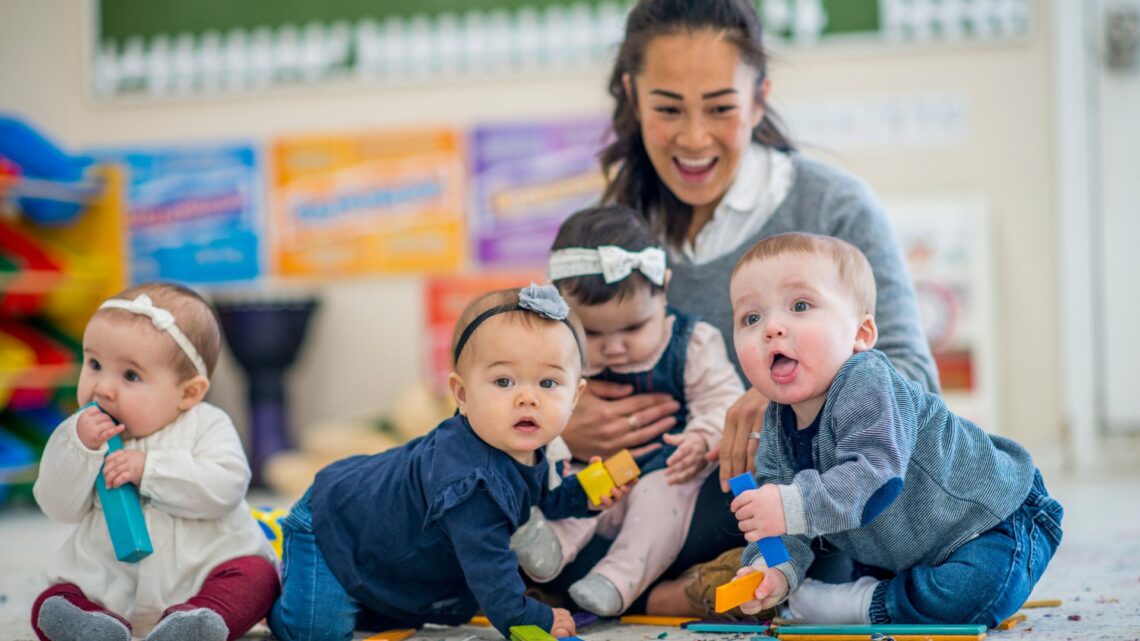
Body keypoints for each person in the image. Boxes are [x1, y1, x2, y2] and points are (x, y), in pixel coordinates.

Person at [553, 0, 941, 615]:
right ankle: (671, 589)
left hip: (768, 493)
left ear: (759, 99)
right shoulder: (616, 231)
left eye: (721, 107)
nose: (694, 138)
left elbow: (917, 387)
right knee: (500, 501)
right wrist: (561, 419)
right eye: (667, 108)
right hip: (638, 485)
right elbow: (532, 352)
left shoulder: (831, 208)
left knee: (797, 522)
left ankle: (671, 589)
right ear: (631, 95)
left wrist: (788, 391)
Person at [726, 232, 1062, 626]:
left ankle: (860, 606)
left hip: (992, 519)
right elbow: (789, 523)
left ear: (861, 334)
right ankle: (872, 595)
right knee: (858, 563)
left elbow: (875, 477)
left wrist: (787, 504)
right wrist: (771, 570)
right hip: (899, 549)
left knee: (974, 594)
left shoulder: (868, 380)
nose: (772, 328)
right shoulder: (777, 421)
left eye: (800, 305)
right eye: (752, 317)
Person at [268, 285, 632, 641]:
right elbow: (490, 573)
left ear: (575, 397)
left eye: (549, 382)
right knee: (317, 632)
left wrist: (585, 494)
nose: (527, 398)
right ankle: (271, 586)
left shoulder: (536, 446)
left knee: (378, 617)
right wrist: (531, 618)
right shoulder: (471, 483)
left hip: (380, 543)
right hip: (332, 524)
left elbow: (542, 496)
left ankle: (350, 592)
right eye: (504, 381)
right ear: (462, 394)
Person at [512, 205, 744, 616]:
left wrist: (702, 437)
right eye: (594, 333)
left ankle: (617, 581)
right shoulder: (553, 352)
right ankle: (549, 552)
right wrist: (555, 431)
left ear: (664, 291)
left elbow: (724, 401)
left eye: (634, 328)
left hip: (667, 473)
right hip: (593, 472)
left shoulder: (691, 343)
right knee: (570, 490)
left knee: (659, 503)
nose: (614, 347)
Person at [31, 283, 279, 641]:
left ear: (188, 393)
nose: (103, 388)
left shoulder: (206, 424)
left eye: (130, 375)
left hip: (203, 571)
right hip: (109, 582)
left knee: (258, 576)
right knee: (54, 598)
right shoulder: (80, 436)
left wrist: (150, 469)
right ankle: (90, 626)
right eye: (94, 364)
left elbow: (226, 486)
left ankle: (198, 622)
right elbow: (58, 506)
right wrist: (79, 449)